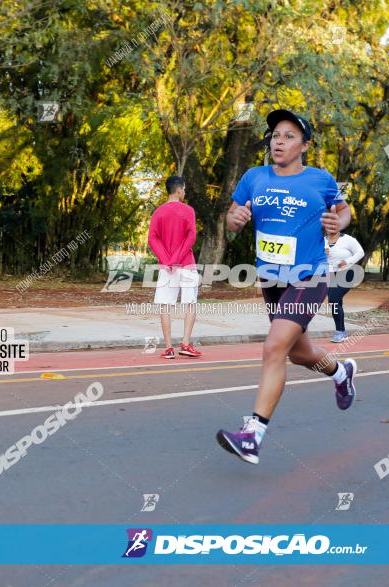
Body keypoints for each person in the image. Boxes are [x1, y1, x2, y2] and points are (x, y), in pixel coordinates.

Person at [216, 109, 358, 465]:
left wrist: (335, 223)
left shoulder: (320, 180)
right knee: (297, 353)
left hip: (309, 277)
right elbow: (232, 219)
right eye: (275, 135)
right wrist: (234, 219)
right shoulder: (254, 177)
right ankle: (341, 372)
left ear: (304, 145)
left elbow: (345, 211)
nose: (278, 141)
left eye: (288, 136)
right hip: (271, 279)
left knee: (273, 347)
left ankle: (254, 435)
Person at [147, 176, 202, 359]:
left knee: (165, 306)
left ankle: (169, 348)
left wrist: (167, 259)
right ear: (179, 190)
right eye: (184, 190)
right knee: (190, 304)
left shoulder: (158, 212)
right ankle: (186, 343)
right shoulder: (188, 210)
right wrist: (177, 258)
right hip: (186, 264)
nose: (184, 193)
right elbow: (191, 237)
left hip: (166, 267)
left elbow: (152, 238)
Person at [325, 229, 365, 342]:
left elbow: (360, 252)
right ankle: (342, 331)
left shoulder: (348, 239)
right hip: (331, 274)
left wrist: (347, 261)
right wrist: (322, 253)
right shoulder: (322, 241)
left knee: (333, 300)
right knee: (336, 302)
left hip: (347, 273)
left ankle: (340, 332)